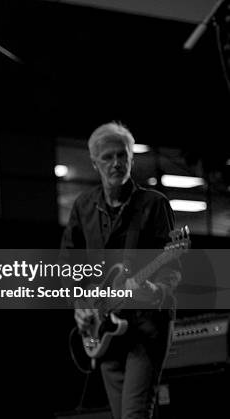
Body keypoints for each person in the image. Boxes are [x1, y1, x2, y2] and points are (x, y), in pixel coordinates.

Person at [60, 122, 180, 419]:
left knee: (134, 414)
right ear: (94, 163)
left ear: (131, 157)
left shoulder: (153, 204)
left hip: (146, 327)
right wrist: (80, 305)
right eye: (108, 157)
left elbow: (172, 267)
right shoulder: (84, 205)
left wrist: (155, 291)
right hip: (104, 328)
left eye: (122, 155)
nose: (116, 163)